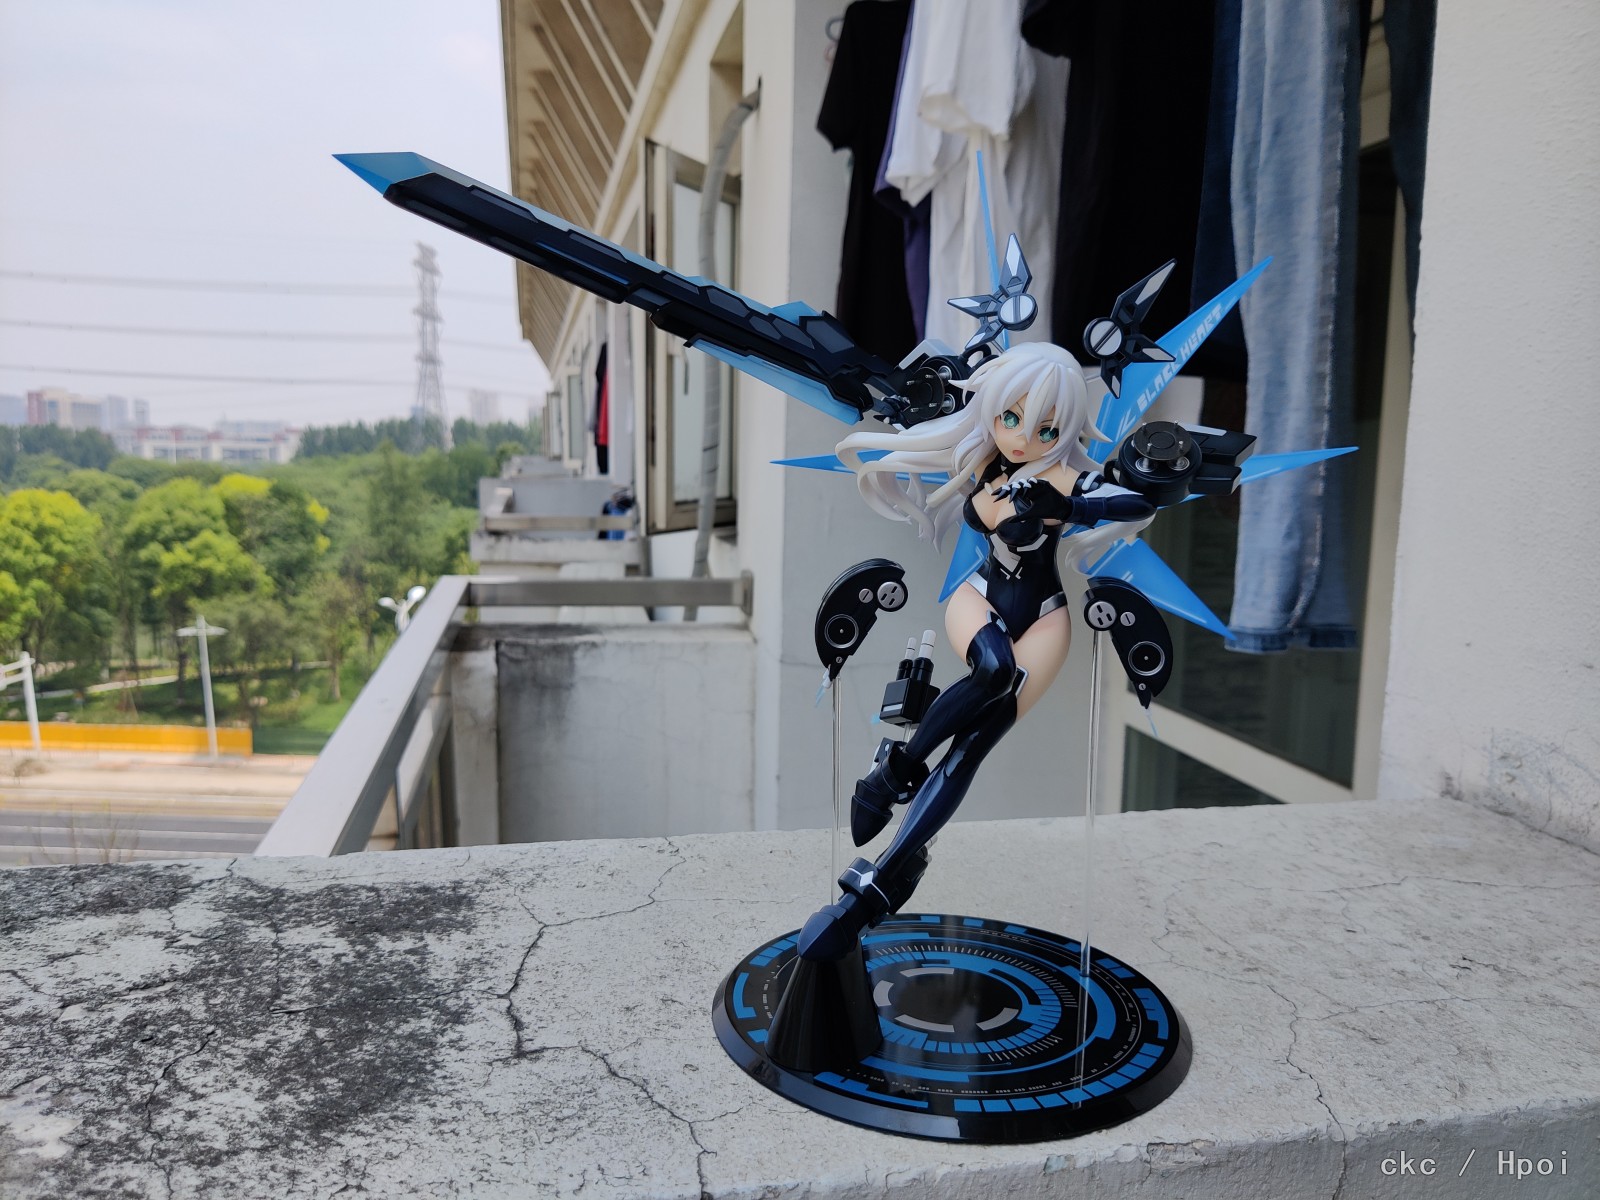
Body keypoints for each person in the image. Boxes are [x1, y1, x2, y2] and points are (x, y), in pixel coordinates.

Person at [798, 341, 1156, 961]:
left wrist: (1070, 506)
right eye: (1010, 418)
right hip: (980, 596)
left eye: (1045, 429)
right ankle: (899, 767)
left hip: (1044, 616)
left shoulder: (1062, 475)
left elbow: (1137, 501)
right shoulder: (986, 458)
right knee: (994, 670)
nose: (1022, 439)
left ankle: (884, 876)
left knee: (972, 748)